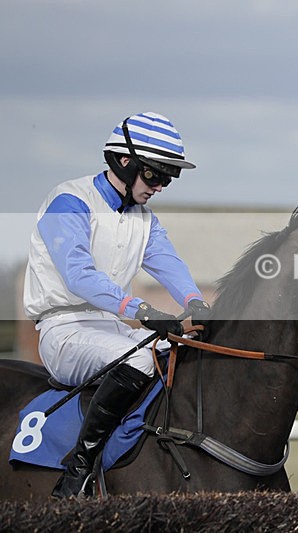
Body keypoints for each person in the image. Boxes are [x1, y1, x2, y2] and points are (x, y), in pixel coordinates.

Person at [23, 112, 212, 498]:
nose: (161, 186)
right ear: (124, 161)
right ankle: (78, 470)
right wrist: (141, 310)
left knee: (179, 353)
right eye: (156, 175)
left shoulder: (143, 218)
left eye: (168, 178)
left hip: (114, 331)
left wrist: (195, 301)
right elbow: (78, 275)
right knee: (144, 358)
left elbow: (168, 262)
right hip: (65, 331)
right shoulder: (69, 201)